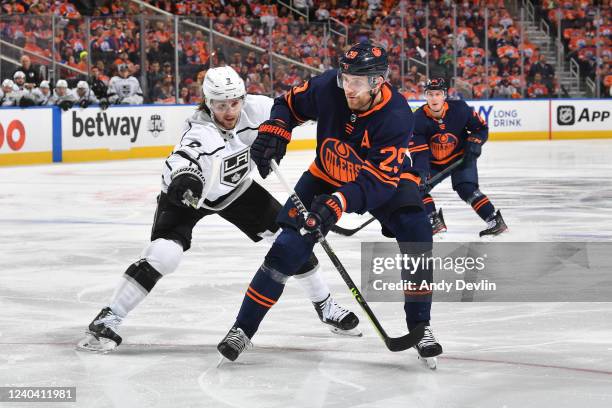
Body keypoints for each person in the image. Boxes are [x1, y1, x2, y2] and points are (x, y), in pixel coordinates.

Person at [77, 66, 359, 353]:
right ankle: (110, 316)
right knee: (165, 254)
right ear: (207, 103)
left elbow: (295, 108)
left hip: (237, 192)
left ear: (243, 98)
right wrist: (185, 180)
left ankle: (324, 304)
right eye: (220, 105)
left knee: (292, 239)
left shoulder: (259, 108)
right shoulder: (201, 131)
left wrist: (286, 129)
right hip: (193, 197)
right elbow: (182, 158)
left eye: (235, 103)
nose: (229, 111)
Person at [217, 42, 442, 366]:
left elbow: (375, 184)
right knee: (287, 247)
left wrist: (335, 205)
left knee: (416, 232)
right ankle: (242, 329)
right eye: (345, 79)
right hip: (326, 174)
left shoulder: (396, 116)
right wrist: (276, 127)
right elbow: (288, 104)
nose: (348, 87)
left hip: (383, 182)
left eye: (356, 82)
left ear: (378, 82)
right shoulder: (328, 85)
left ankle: (420, 327)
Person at [413, 78, 507, 237]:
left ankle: (493, 220)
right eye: (430, 94)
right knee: (415, 187)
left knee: (466, 189)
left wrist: (475, 142)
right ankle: (433, 220)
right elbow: (419, 151)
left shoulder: (460, 109)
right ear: (425, 96)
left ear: (444, 96)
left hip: (460, 157)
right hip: (434, 163)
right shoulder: (417, 119)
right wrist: (421, 173)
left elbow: (481, 128)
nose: (434, 98)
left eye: (438, 94)